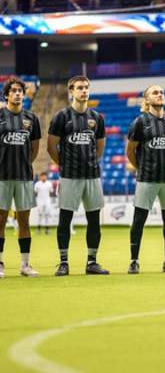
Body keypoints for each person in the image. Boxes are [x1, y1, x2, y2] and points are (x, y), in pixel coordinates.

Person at [47, 75, 109, 276]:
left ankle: (92, 262)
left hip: (92, 176)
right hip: (69, 176)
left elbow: (99, 148)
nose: (84, 91)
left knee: (94, 220)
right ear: (71, 91)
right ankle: (63, 262)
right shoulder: (61, 117)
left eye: (86, 87)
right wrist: (64, 164)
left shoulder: (97, 118)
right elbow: (51, 146)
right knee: (65, 219)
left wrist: (90, 162)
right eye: (79, 88)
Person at [126, 85, 165, 274]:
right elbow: (130, 150)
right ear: (147, 100)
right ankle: (134, 260)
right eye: (155, 93)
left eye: (162, 92)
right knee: (139, 220)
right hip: (146, 178)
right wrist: (141, 167)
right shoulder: (140, 122)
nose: (160, 95)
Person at [0, 76, 41, 278]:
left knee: (24, 221)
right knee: (0, 221)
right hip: (2, 177)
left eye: (20, 91)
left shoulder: (32, 119)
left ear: (24, 95)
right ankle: (0, 263)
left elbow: (34, 149)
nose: (17, 93)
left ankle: (25, 264)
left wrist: (24, 164)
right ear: (6, 94)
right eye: (13, 90)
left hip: (24, 176)